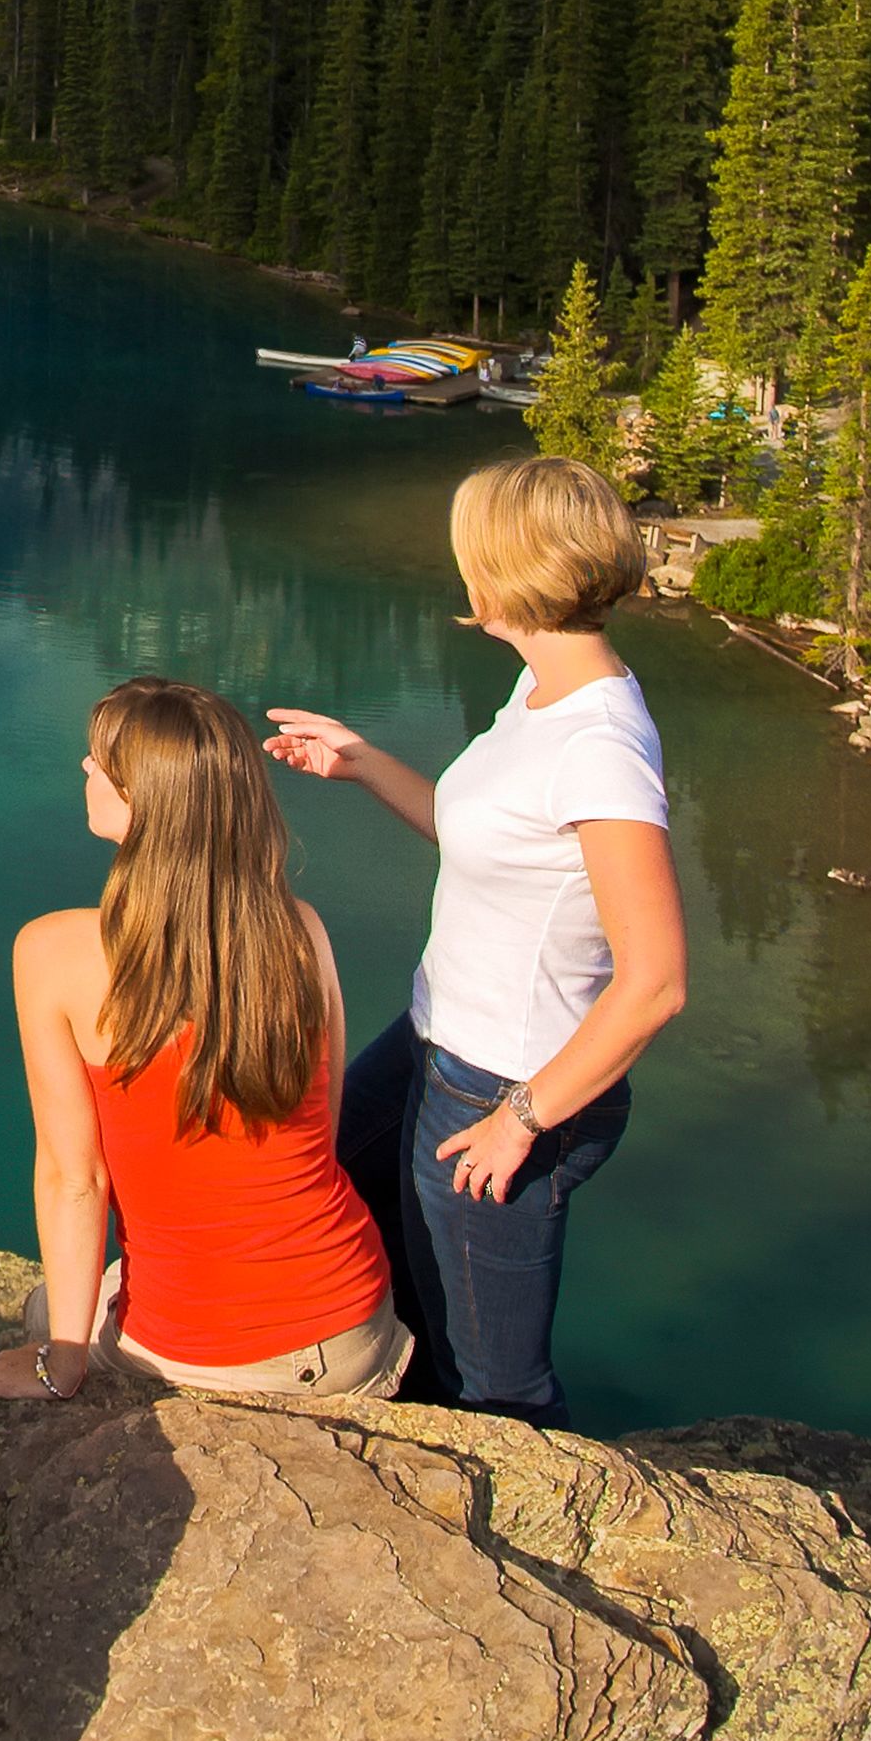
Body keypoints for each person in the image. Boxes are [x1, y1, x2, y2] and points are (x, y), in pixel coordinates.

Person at [266, 454, 687, 1429]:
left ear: (504, 572)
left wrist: (522, 1119)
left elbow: (655, 980)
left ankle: (503, 1534)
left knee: (492, 1374)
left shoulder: (599, 746)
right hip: (432, 1038)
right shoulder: (541, 692)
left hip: (507, 1081)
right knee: (344, 1212)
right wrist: (362, 762)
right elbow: (495, 838)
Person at [0, 675, 410, 1406]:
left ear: (144, 800)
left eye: (103, 762)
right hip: (357, 1326)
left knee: (45, 1310)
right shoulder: (302, 931)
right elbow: (320, 1134)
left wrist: (57, 1366)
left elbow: (75, 1180)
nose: (86, 769)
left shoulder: (56, 952)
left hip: (213, 1354)